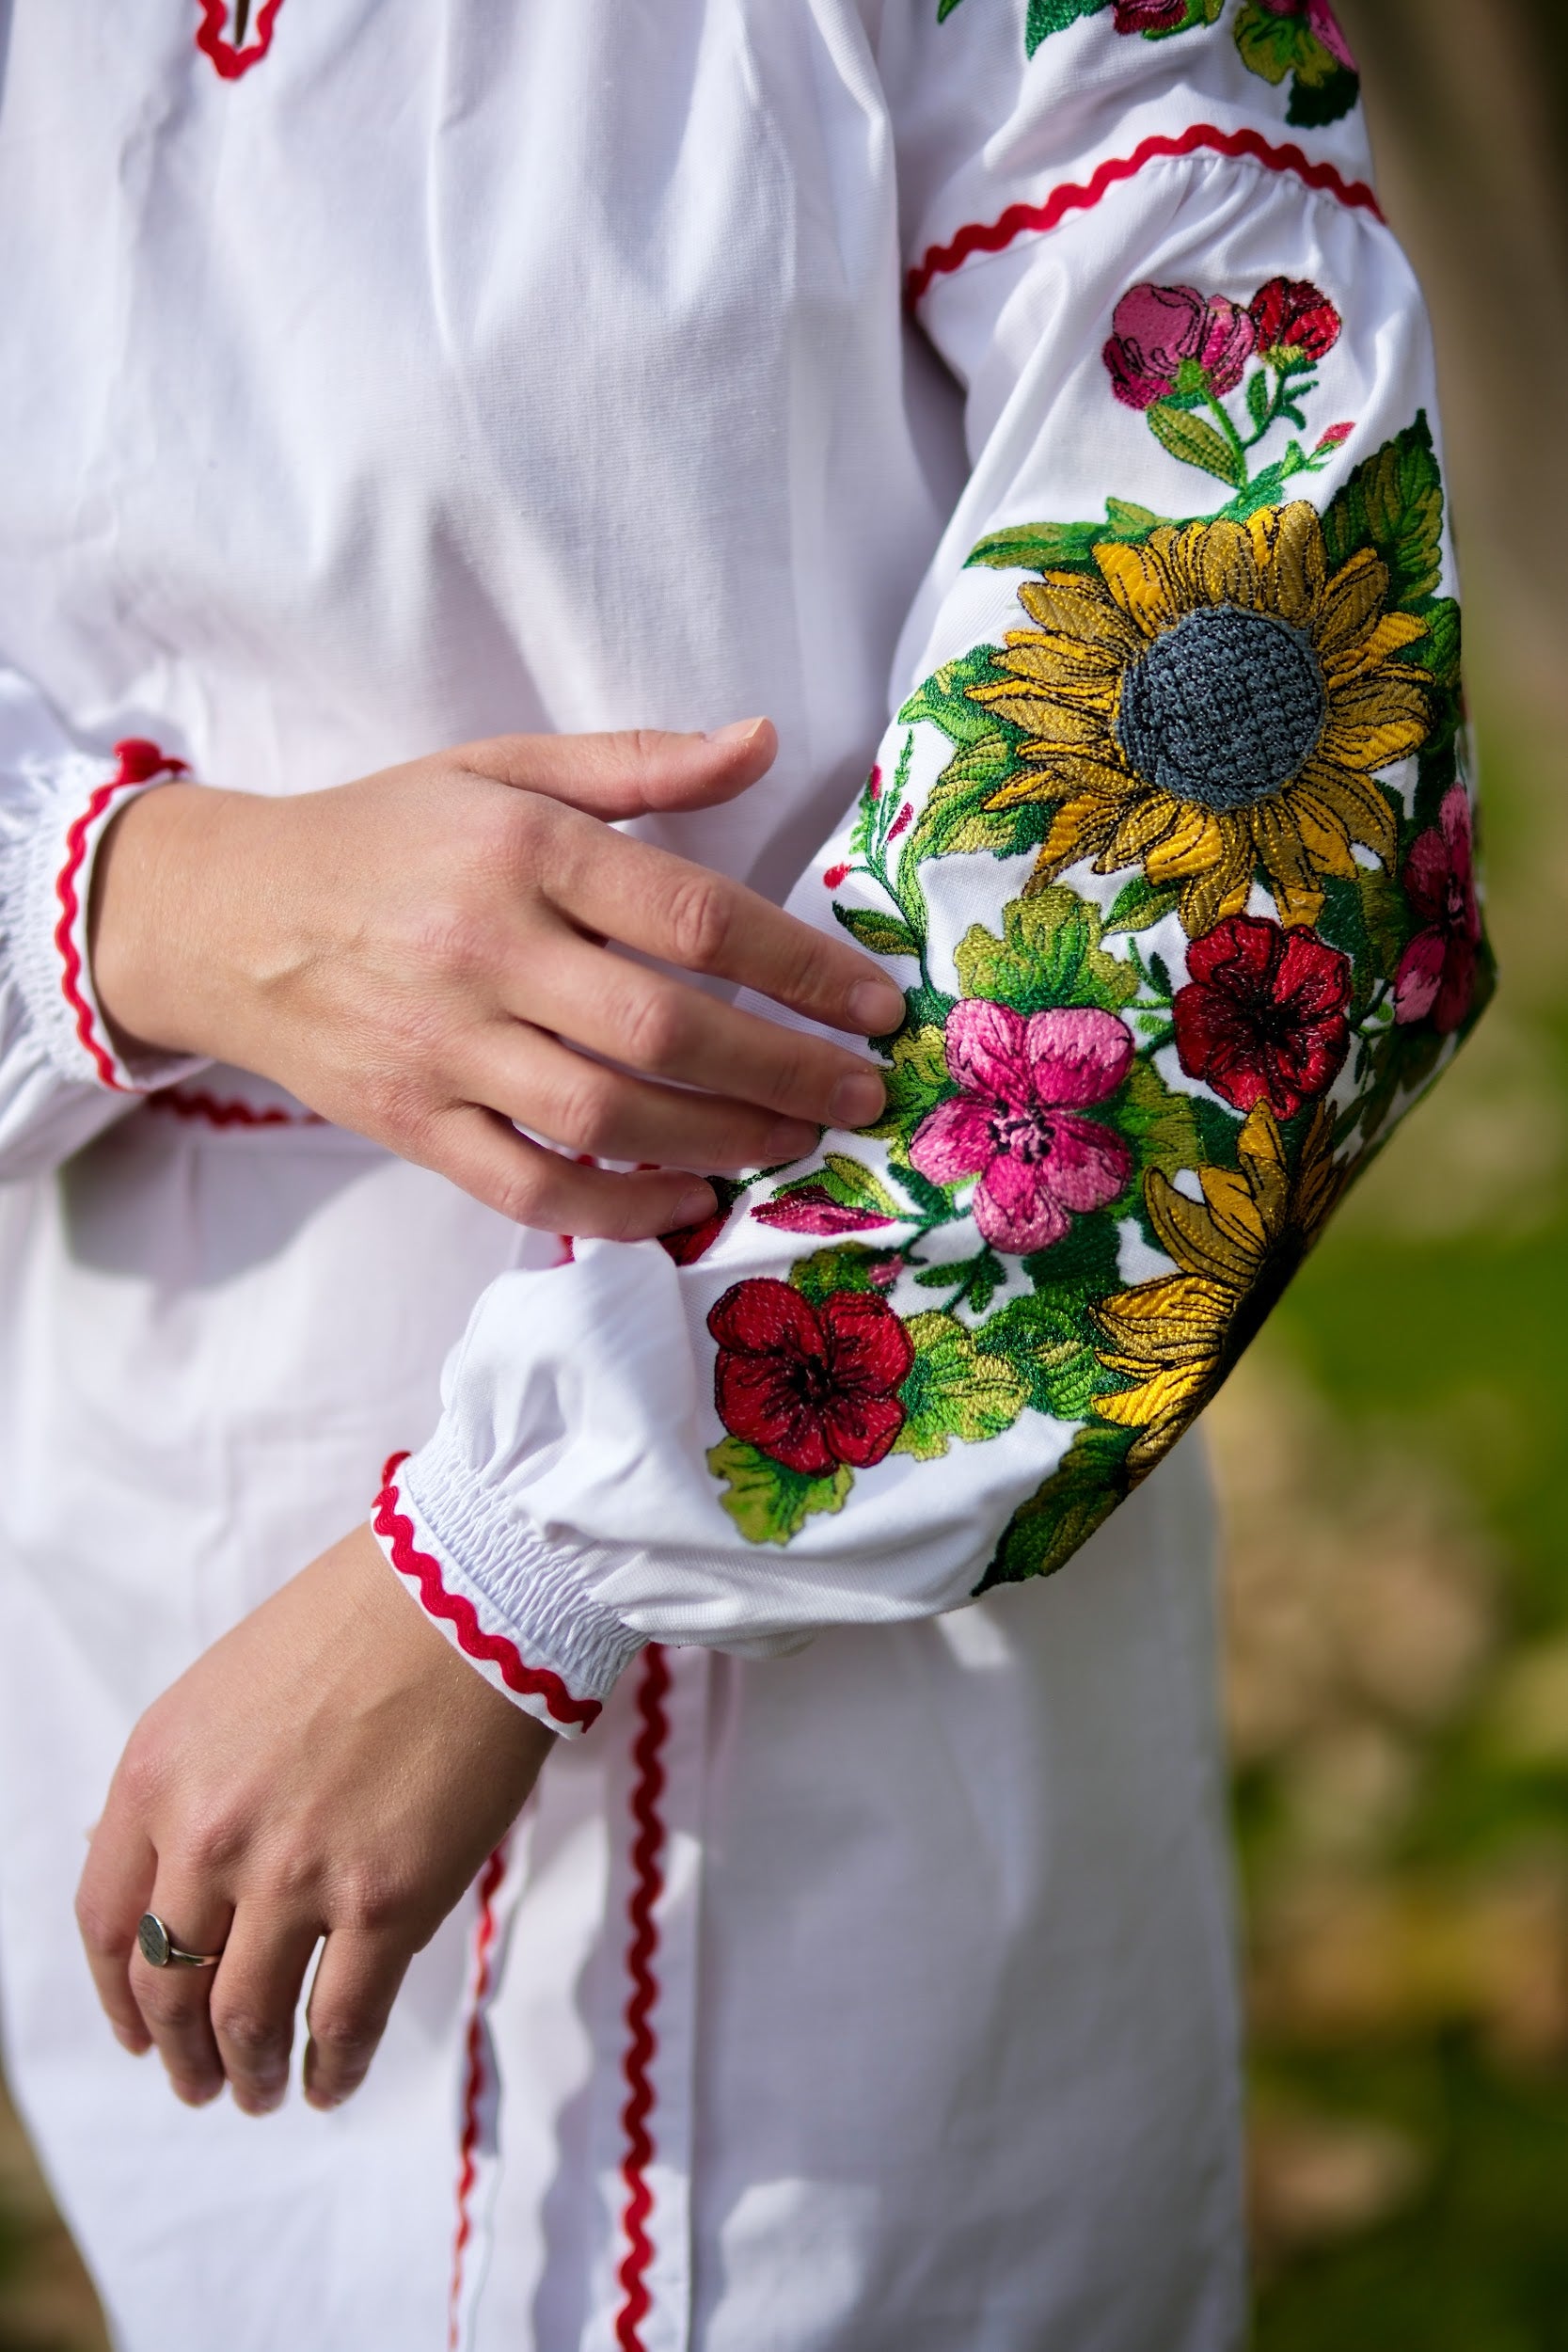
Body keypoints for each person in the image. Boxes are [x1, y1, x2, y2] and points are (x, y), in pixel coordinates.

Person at [0, 4, 1488, 2347]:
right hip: (140, 1587)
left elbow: (1266, 681)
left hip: (857, 1750)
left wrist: (512, 1558)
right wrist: (139, 901)